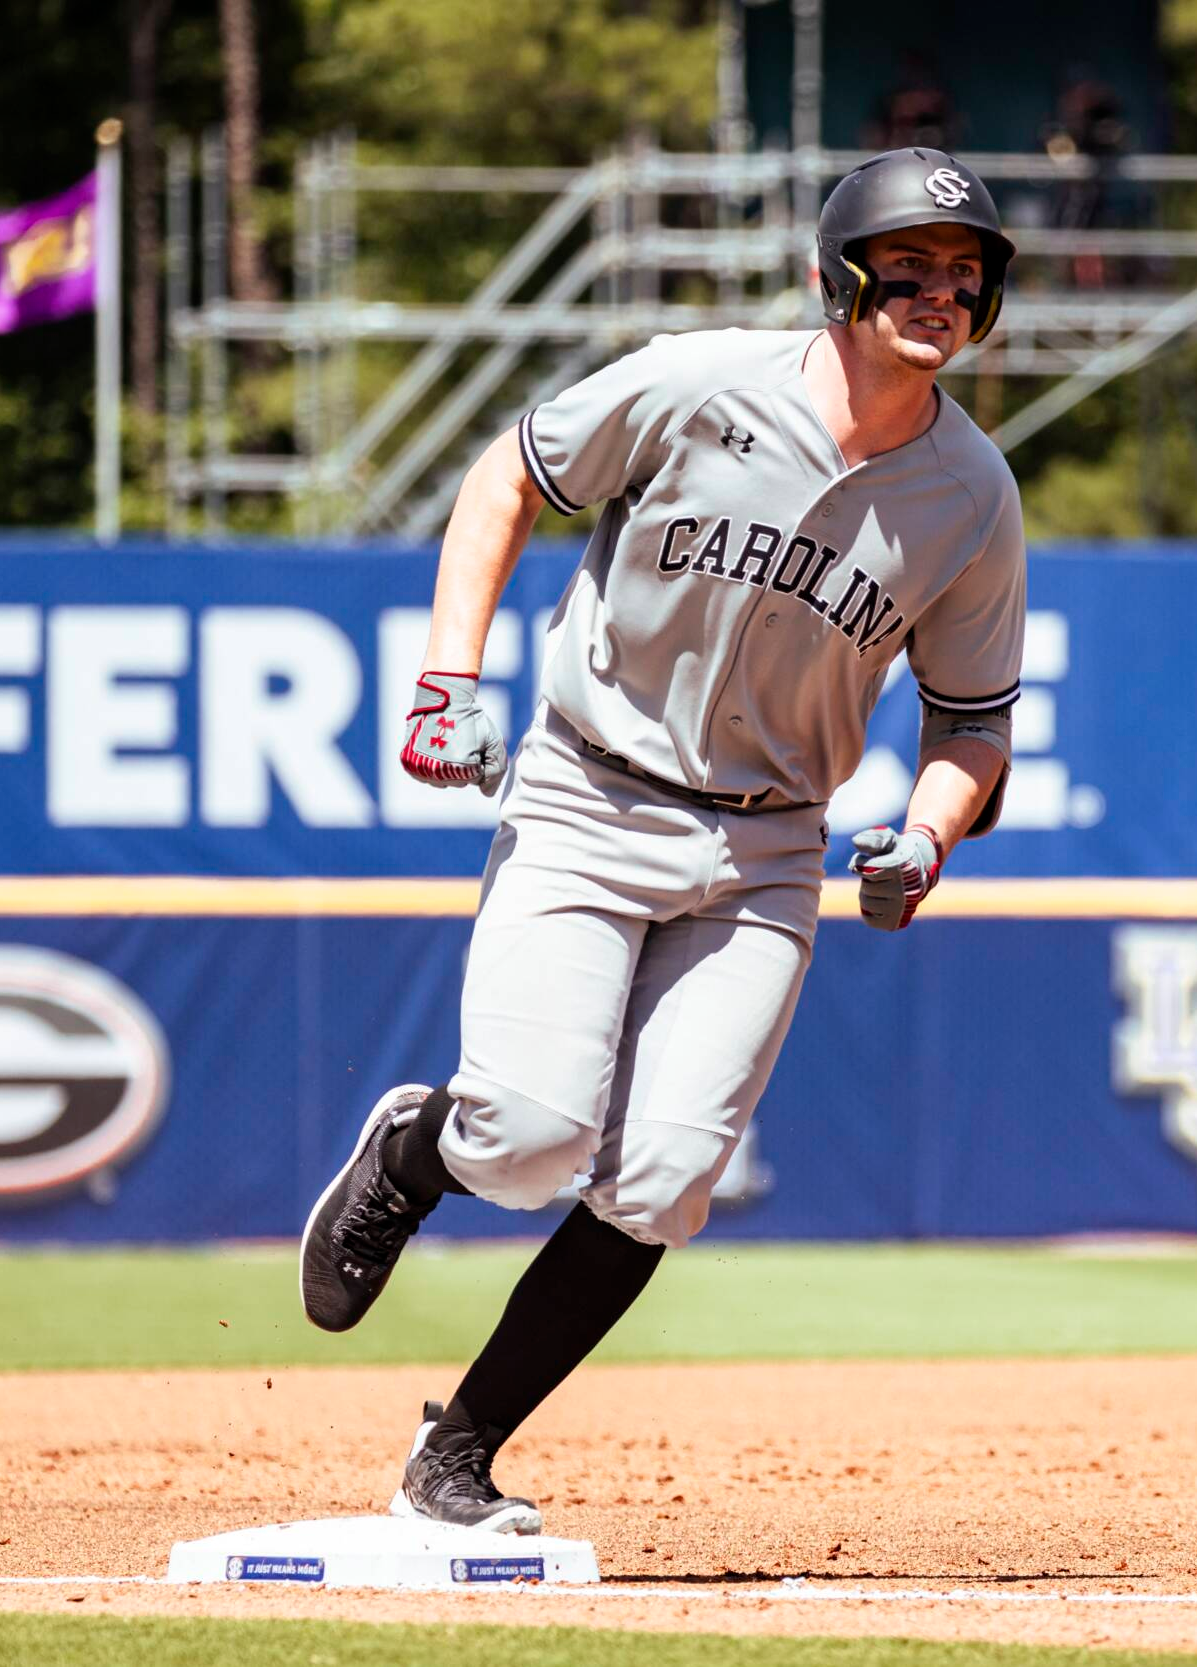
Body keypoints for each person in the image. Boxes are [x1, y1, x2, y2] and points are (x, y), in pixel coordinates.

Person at [297, 149, 1026, 1535]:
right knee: (524, 1139)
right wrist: (450, 676)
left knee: (666, 1177)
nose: (943, 293)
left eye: (967, 275)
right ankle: (413, 1152)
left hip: (765, 853)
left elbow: (974, 723)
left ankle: (455, 1453)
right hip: (589, 792)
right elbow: (505, 478)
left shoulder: (971, 495)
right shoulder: (698, 382)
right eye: (915, 267)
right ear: (843, 275)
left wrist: (927, 838)